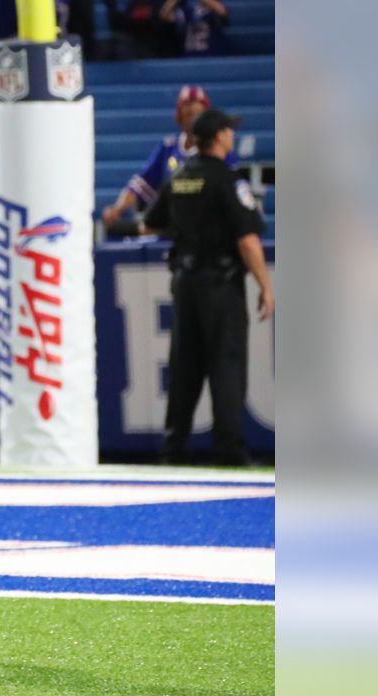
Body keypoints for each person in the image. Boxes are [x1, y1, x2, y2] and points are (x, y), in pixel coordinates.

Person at [139, 109, 273, 466]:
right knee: (226, 363)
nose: (231, 135)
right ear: (221, 137)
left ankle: (173, 448)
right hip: (220, 283)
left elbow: (148, 225)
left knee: (185, 365)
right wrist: (265, 285)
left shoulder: (179, 176)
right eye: (229, 130)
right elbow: (247, 239)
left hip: (184, 283)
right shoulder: (228, 180)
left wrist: (187, 227)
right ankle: (229, 449)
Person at [102, 85, 236, 231]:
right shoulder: (169, 147)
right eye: (188, 113)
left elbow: (231, 193)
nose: (193, 120)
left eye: (198, 114)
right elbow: (142, 183)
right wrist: (118, 208)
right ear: (179, 116)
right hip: (172, 227)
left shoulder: (219, 151)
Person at [161, 0, 229, 57]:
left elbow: (223, 12)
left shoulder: (215, 11)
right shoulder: (189, 10)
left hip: (211, 55)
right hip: (190, 56)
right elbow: (165, 15)